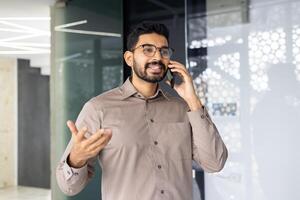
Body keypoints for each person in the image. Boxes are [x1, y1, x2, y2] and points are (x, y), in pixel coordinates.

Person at [56, 22, 228, 200]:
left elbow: (215, 163)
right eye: (147, 50)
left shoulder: (184, 108)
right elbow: (68, 187)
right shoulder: (98, 108)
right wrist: (76, 159)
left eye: (163, 51)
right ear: (129, 58)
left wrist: (193, 99)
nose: (157, 57)